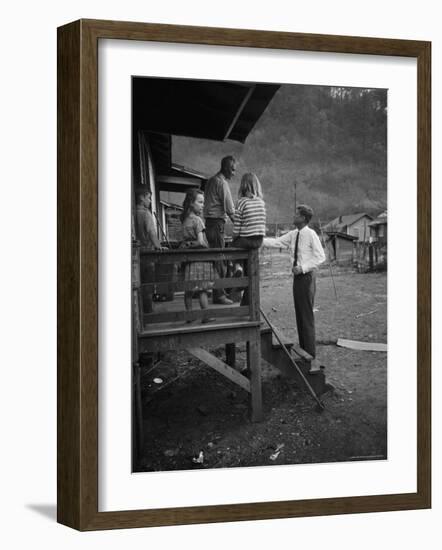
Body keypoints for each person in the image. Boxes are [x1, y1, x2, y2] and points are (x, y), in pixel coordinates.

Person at [263, 204, 325, 359]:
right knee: (300, 314)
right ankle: (304, 350)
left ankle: (310, 353)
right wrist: (258, 239)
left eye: (296, 214)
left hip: (307, 277)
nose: (293, 216)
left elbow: (320, 257)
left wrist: (303, 268)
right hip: (297, 279)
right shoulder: (293, 234)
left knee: (306, 315)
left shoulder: (311, 234)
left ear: (303, 218)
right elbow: (277, 242)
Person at [203, 155, 237, 305]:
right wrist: (241, 226)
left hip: (209, 224)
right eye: (232, 169)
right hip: (217, 224)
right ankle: (219, 295)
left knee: (216, 259)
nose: (234, 173)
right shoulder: (221, 183)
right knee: (219, 260)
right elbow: (230, 209)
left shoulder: (210, 180)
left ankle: (218, 291)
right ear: (225, 167)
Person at [180, 189, 216, 324]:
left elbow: (184, 241)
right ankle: (205, 316)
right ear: (191, 203)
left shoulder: (185, 220)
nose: (202, 205)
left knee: (189, 290)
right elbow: (201, 241)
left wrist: (188, 245)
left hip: (189, 260)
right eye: (200, 202)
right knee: (202, 289)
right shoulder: (198, 221)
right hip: (200, 259)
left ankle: (189, 315)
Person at [231, 173, 266, 305]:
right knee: (251, 271)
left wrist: (235, 237)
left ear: (243, 186)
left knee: (233, 247)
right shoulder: (261, 202)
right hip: (258, 241)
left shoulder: (241, 202)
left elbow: (237, 225)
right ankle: (246, 303)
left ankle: (238, 267)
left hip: (245, 240)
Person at [134, 189, 162, 313]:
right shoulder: (145, 213)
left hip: (135, 254)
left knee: (137, 284)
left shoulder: (132, 212)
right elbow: (151, 232)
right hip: (147, 252)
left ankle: (139, 311)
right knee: (148, 284)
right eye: (149, 198)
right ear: (141, 197)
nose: (150, 201)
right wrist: (158, 246)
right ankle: (148, 311)